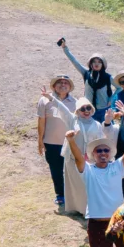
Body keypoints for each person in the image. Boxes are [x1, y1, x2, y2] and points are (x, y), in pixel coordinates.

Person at [44, 92, 115, 216]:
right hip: (72, 158)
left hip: (90, 160)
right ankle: (78, 208)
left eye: (88, 108)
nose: (86, 111)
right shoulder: (73, 120)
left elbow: (100, 141)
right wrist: (50, 97)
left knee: (87, 185)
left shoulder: (97, 124)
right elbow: (61, 107)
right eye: (82, 109)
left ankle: (88, 210)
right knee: (76, 185)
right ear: (77, 111)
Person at [37, 75, 76, 209]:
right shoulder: (44, 100)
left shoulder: (75, 102)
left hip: (70, 143)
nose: (63, 85)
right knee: (56, 170)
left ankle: (73, 194)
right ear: (54, 86)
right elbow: (41, 121)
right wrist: (40, 141)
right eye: (59, 83)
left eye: (66, 83)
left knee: (71, 169)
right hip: (51, 142)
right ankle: (60, 194)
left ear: (70, 87)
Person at [60, 39, 114, 121]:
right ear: (91, 63)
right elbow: (75, 62)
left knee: (106, 131)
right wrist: (65, 48)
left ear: (102, 64)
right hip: (88, 110)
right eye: (94, 62)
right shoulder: (86, 73)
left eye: (99, 62)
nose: (96, 64)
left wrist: (111, 99)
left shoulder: (108, 77)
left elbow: (119, 87)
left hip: (104, 110)